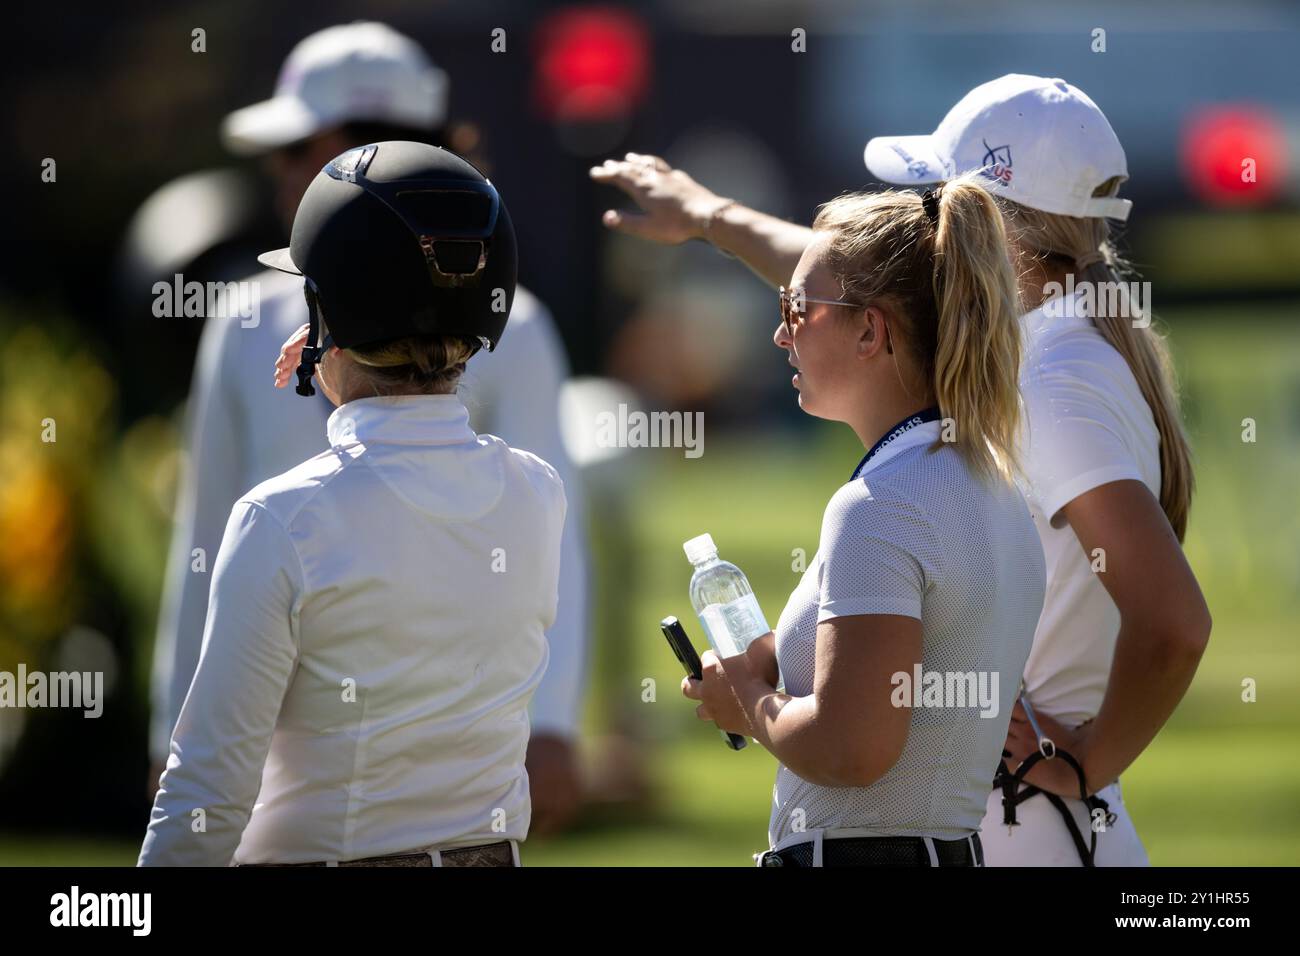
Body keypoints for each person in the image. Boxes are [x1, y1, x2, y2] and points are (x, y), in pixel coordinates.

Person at [594, 74, 1211, 865]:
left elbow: (1175, 623)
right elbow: (851, 294)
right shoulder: (1061, 341)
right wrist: (713, 219)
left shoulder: (1049, 381)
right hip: (1011, 817)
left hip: (1011, 818)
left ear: (987, 221)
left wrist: (1083, 760)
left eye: (930, 196)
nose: (918, 218)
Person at [150, 22, 587, 836]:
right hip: (285, 724)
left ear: (348, 148)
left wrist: (553, 724)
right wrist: (170, 725)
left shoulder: (518, 327)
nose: (281, 176)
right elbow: (203, 533)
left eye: (296, 150)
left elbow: (560, 549)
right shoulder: (245, 318)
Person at [683, 174, 1046, 867]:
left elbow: (852, 751)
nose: (780, 331)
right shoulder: (993, 480)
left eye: (797, 305)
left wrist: (749, 700)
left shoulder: (881, 504)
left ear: (870, 331)